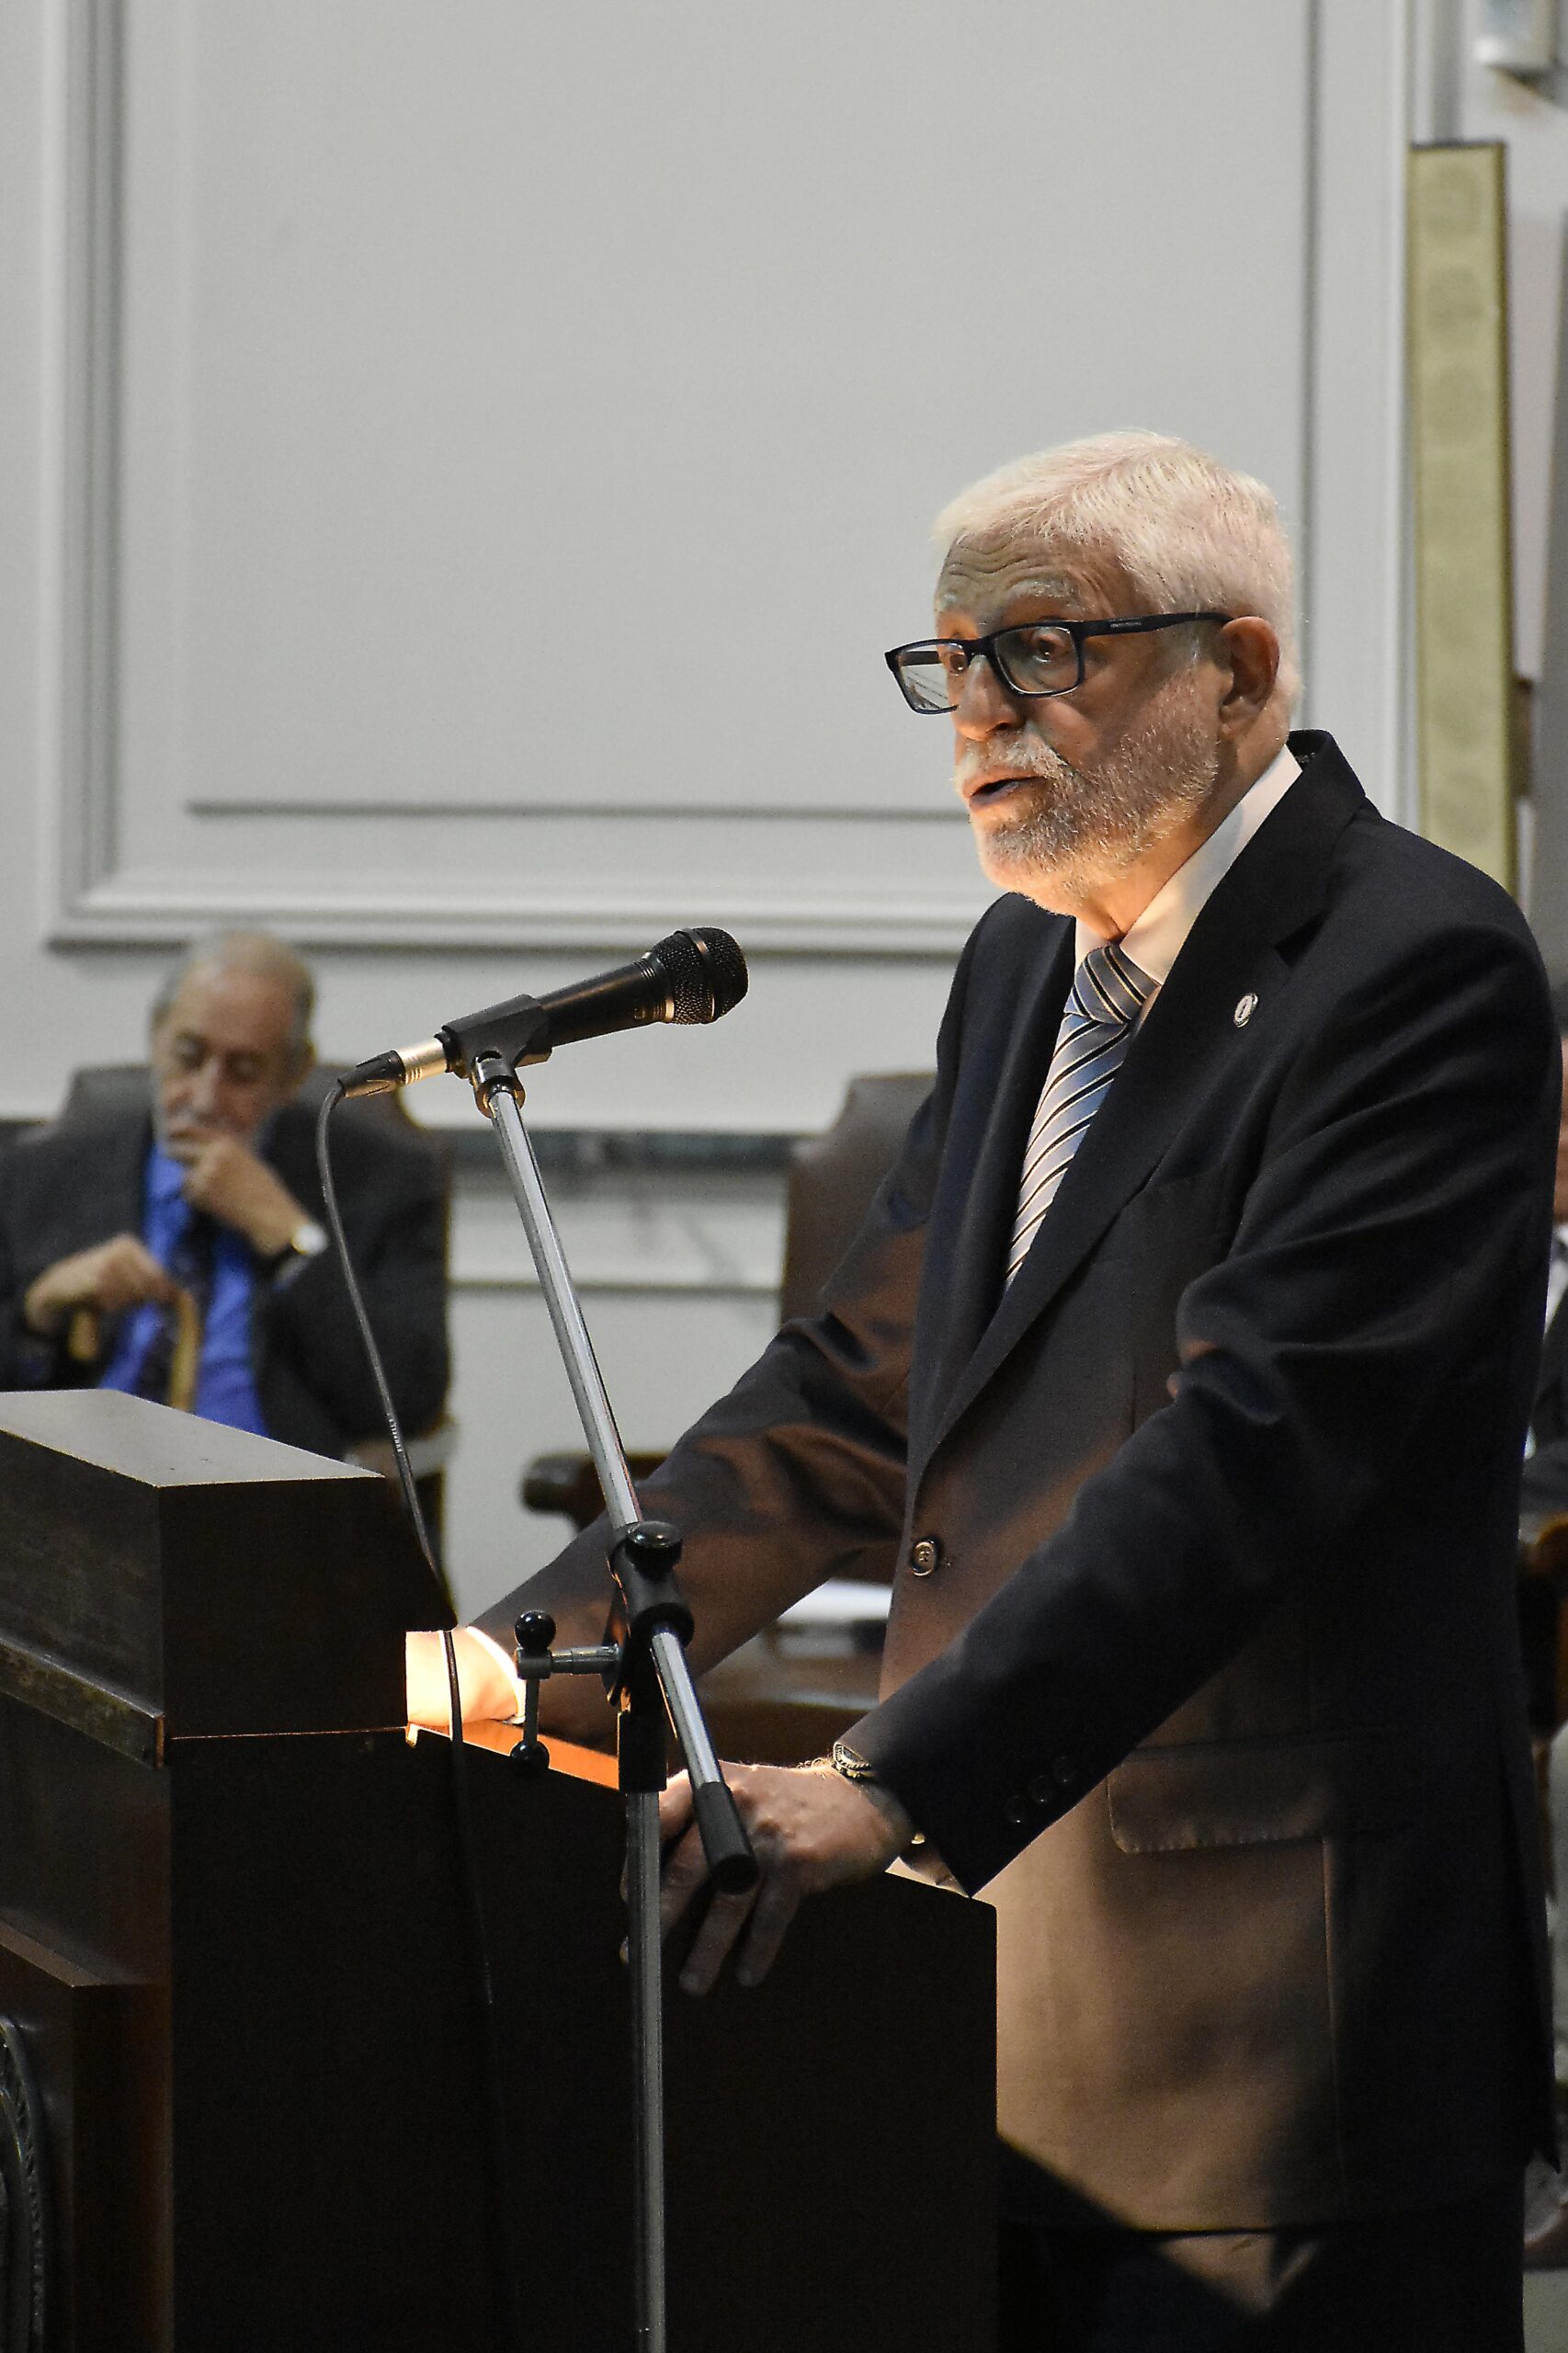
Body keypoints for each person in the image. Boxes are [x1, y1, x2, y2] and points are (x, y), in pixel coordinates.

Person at [412, 433, 1557, 2347]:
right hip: (995, 2003)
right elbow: (858, 1388)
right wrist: (516, 1662)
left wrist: (884, 1782)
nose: (978, 715)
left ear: (1237, 671)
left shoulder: (1413, 964)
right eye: (949, 662)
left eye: (1040, 650)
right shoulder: (1029, 959)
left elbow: (1244, 1459)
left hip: (1276, 2045)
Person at [0, 929, 449, 1459]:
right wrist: (37, 1313)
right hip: (80, 1483)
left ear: (292, 1075)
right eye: (188, 1056)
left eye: (243, 1072)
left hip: (268, 1491)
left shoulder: (382, 1181)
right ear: (156, 1038)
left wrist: (290, 1238)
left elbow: (410, 1401)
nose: (205, 1098)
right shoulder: (41, 1173)